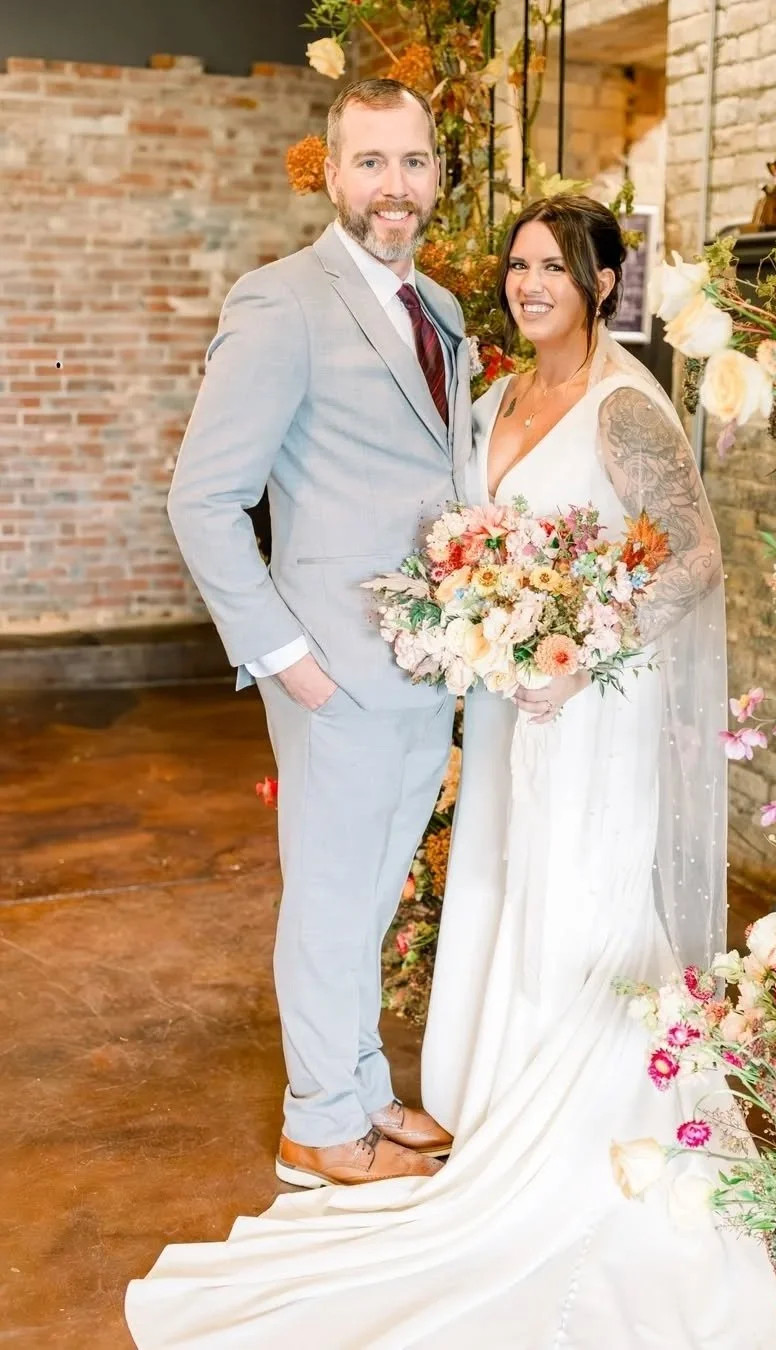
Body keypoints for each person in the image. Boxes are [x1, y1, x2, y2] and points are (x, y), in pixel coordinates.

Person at [126, 196, 776, 1348]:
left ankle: (572, 1125)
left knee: (576, 894)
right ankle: (488, 1098)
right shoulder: (493, 395)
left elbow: (694, 556)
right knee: (505, 880)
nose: (530, 284)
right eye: (519, 265)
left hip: (587, 709)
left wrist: (579, 654)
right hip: (509, 705)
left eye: (556, 266)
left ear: (602, 285)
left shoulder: (625, 406)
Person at [161, 77, 473, 1190]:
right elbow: (203, 499)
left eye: (414, 161)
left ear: (435, 173)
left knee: (371, 898)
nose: (396, 185)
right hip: (333, 669)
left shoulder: (441, 310)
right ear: (332, 172)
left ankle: (362, 1090)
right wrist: (290, 661)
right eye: (372, 161)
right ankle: (317, 1126)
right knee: (331, 898)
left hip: (429, 664)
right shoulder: (280, 302)